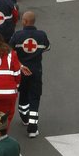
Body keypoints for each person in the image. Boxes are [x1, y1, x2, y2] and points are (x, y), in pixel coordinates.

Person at [10, 10, 51, 138]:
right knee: (34, 97)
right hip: (36, 70)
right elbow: (47, 47)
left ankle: (24, 117)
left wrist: (21, 63)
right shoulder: (41, 35)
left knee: (23, 94)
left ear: (25, 21)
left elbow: (10, 51)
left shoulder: (17, 35)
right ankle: (33, 128)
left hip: (22, 71)